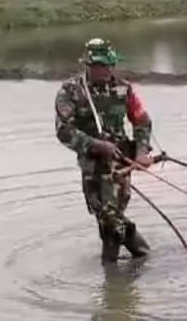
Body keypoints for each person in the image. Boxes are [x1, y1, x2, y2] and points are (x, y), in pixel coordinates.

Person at [53, 38, 155, 262]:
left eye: (110, 65)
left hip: (121, 165)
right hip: (94, 167)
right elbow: (63, 131)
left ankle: (121, 271)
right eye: (101, 66)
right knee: (108, 218)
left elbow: (142, 121)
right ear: (89, 66)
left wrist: (141, 151)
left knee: (112, 218)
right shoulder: (71, 92)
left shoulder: (123, 89)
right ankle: (138, 259)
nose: (107, 70)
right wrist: (95, 145)